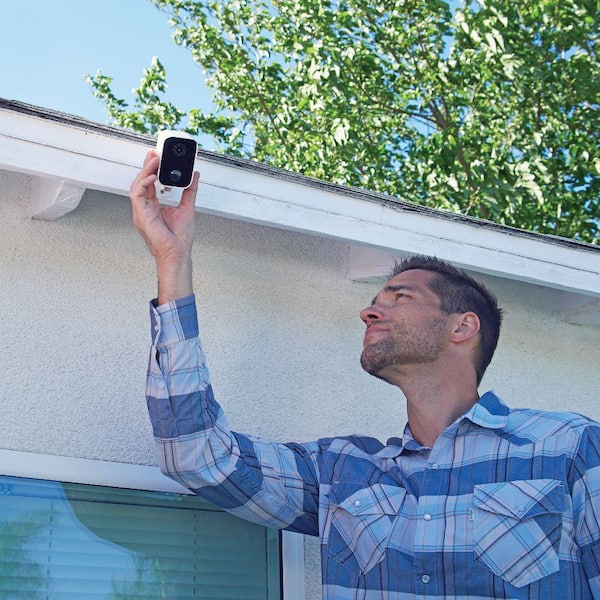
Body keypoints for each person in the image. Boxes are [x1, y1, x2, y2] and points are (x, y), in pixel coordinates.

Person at [130, 150, 600, 599]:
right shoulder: (342, 472)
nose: (369, 312)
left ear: (463, 326)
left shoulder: (569, 447)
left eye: (400, 297)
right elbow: (196, 456)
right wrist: (173, 261)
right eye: (376, 301)